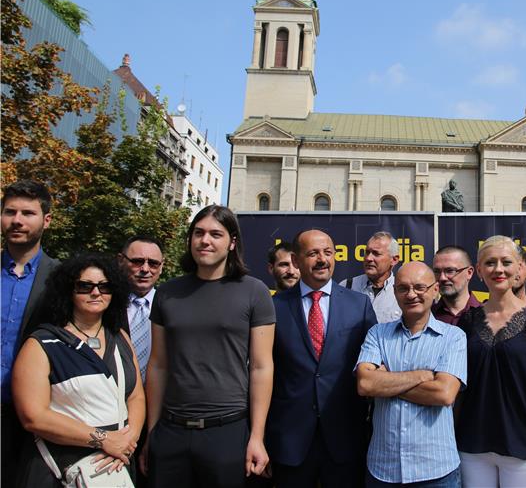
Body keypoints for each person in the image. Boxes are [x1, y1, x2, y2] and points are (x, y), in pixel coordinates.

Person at [145, 205, 275, 488]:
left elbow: (262, 367)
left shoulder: (254, 292)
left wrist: (257, 436)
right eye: (198, 233)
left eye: (216, 234)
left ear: (232, 243)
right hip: (170, 431)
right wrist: (152, 432)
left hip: (227, 432)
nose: (205, 241)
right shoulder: (167, 293)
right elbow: (158, 364)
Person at [12, 253, 145, 487]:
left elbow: (135, 396)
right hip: (60, 469)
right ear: (68, 290)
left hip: (115, 467)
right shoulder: (42, 344)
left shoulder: (120, 337)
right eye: (85, 286)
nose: (96, 292)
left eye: (105, 286)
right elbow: (33, 416)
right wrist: (104, 440)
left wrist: (128, 440)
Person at [267, 229, 378, 488]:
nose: (322, 259)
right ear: (295, 260)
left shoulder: (359, 305)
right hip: (289, 441)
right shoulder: (273, 307)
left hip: (345, 439)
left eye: (328, 253)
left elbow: (372, 364)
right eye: (313, 253)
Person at [457, 236, 526, 488]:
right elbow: (459, 390)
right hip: (473, 446)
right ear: (479, 270)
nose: (499, 269)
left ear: (519, 268)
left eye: (506, 262)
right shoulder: (467, 321)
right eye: (490, 262)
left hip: (522, 448)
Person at [356, 261, 466, 487]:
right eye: (403, 288)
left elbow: (444, 394)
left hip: (436, 471)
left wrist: (387, 382)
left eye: (419, 287)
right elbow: (365, 384)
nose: (411, 294)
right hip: (383, 471)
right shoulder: (377, 334)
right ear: (395, 292)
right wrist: (423, 375)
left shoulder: (453, 337)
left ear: (435, 290)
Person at [1, 179, 59, 487]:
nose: (17, 220)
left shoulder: (61, 280)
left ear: (46, 220)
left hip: (37, 421)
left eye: (28, 213)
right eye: (10, 212)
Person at [118, 235, 164, 384]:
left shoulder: (173, 307)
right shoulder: (105, 305)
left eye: (153, 263)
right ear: (121, 261)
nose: (145, 269)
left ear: (161, 267)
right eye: (137, 262)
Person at [340, 231, 401, 323]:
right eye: (367, 252)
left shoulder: (403, 291)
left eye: (376, 253)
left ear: (394, 260)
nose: (368, 258)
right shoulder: (346, 286)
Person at [431, 245, 481, 325]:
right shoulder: (426, 317)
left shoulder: (488, 316)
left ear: (469, 273)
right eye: (437, 271)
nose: (442, 278)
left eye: (450, 271)